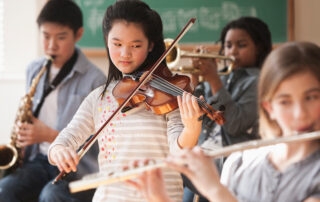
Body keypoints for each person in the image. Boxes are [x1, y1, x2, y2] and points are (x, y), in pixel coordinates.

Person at [48, 0, 203, 201]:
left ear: (151, 46)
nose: (124, 54)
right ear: (107, 41)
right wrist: (59, 151)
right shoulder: (99, 98)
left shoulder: (169, 96)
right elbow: (65, 139)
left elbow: (178, 151)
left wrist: (191, 129)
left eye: (136, 45)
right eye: (117, 44)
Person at [129, 41, 320, 202]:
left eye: (311, 97)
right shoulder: (239, 163)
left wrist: (215, 191)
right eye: (285, 101)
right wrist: (161, 198)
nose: (299, 114)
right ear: (269, 107)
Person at [0, 0, 107, 202]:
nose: (51, 45)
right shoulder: (34, 68)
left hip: (76, 168)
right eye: (46, 36)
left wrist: (48, 135)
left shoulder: (96, 80)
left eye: (61, 37)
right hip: (38, 161)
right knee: (4, 189)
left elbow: (97, 145)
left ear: (78, 34)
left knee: (51, 195)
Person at [183, 16, 272, 202]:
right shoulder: (222, 78)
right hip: (207, 154)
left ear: (259, 48)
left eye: (241, 45)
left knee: (176, 169)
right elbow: (203, 119)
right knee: (176, 163)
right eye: (228, 45)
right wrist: (195, 81)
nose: (232, 51)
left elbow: (234, 124)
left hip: (233, 161)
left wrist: (214, 81)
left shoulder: (259, 81)